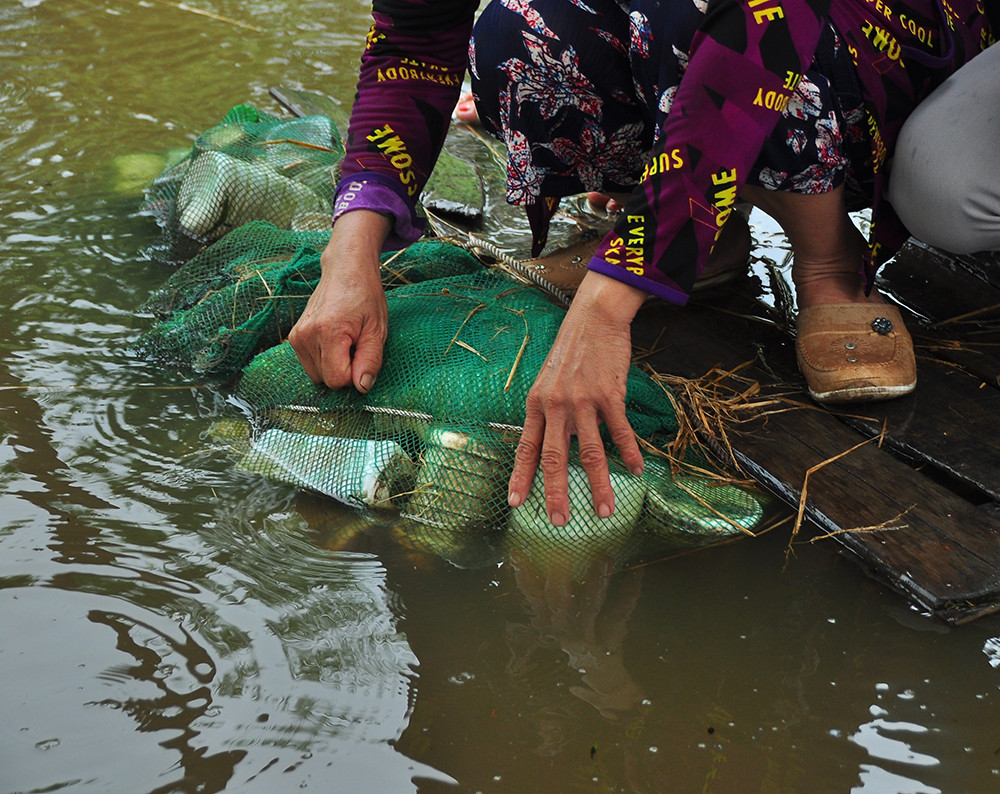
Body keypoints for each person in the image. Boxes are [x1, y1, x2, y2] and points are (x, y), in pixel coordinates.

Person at [289, 0, 996, 528]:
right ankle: (701, 235)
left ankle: (828, 262)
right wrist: (350, 252)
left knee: (682, 11)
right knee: (511, 32)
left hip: (863, 40)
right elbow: (413, 38)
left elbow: (767, 24)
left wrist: (608, 301)